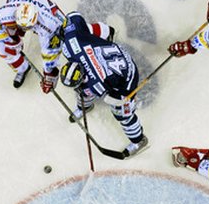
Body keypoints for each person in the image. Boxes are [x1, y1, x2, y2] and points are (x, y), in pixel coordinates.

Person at [59, 11, 148, 157]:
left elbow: (99, 91)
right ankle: (85, 107)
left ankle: (139, 140)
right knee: (82, 90)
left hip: (126, 75)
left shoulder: (96, 83)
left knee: (122, 113)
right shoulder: (70, 45)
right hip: (110, 53)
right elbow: (74, 17)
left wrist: (122, 99)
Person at [0, 0, 66, 92]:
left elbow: (50, 51)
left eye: (28, 28)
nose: (25, 30)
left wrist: (50, 73)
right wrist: (12, 41)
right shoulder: (6, 13)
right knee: (3, 51)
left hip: (44, 7)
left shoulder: (49, 23)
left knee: (60, 38)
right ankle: (22, 68)